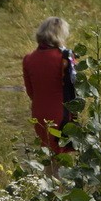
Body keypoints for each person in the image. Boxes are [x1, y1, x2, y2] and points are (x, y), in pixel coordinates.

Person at [22, 17, 77, 157]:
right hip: (61, 112)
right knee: (61, 157)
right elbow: (75, 87)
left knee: (48, 154)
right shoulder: (65, 58)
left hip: (39, 112)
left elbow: (30, 92)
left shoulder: (28, 59)